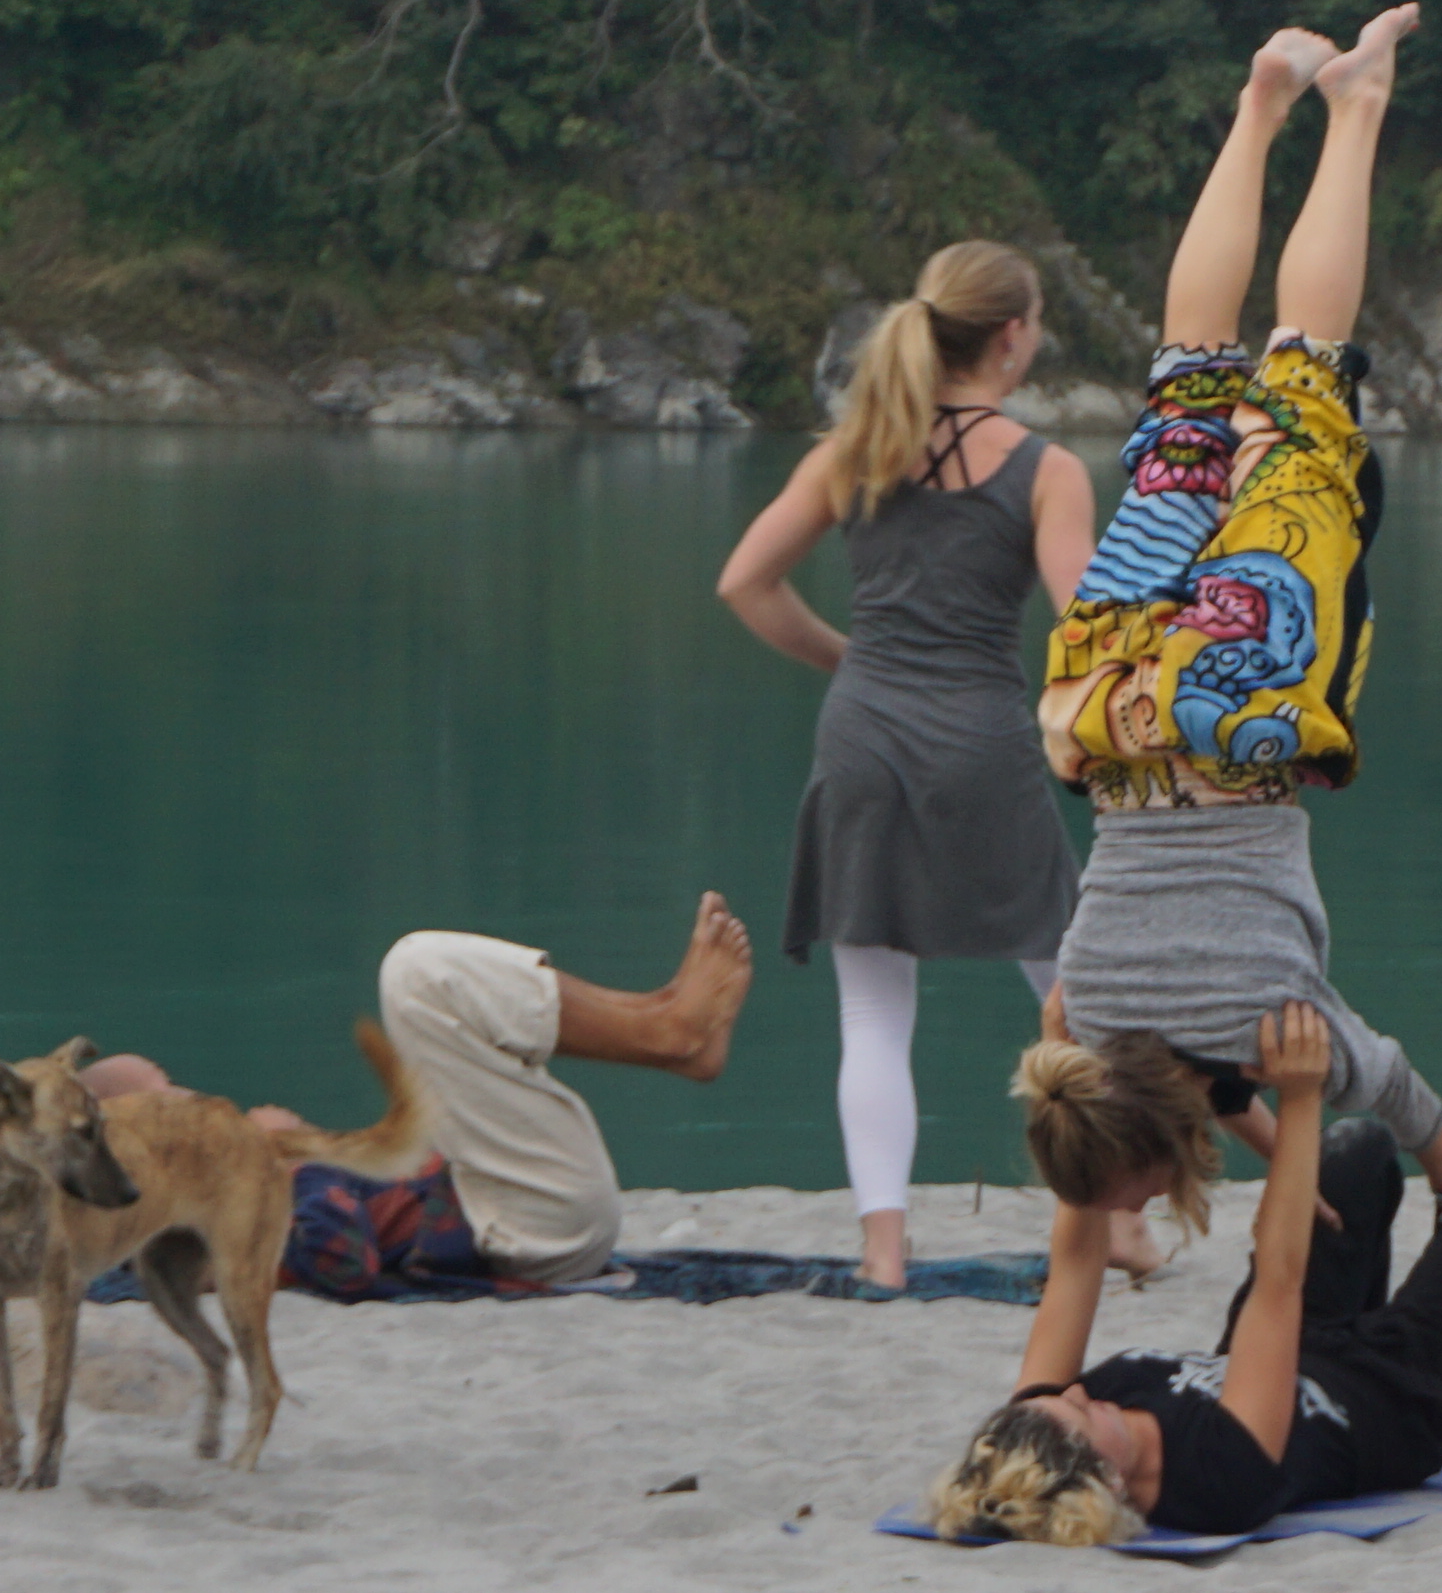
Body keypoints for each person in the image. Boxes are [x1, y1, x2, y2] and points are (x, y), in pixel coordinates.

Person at [1031, 3, 1442, 1275]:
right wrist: (1247, 1137)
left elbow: (1398, 1088)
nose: (1137, 1204)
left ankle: (1357, 104)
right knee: (1193, 379)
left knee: (1303, 372)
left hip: (1237, 710)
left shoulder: (1269, 1034)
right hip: (1114, 715)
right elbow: (1171, 1063)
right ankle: (1263, 104)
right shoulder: (1081, 1022)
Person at [716, 238, 1093, 1292]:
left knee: (873, 1012)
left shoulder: (856, 451)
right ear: (1012, 337)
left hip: (864, 735)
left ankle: (884, 1250)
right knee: (1077, 986)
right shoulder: (1045, 470)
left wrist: (849, 659)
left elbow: (745, 582)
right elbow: (1091, 630)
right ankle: (1118, 1218)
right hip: (982, 737)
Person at [932, 1001, 1442, 1545]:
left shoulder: (1045, 1422)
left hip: (1298, 1344)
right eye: (1079, 1414)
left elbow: (1076, 1259)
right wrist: (1301, 1095)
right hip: (1404, 1395)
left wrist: (1070, 1085)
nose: (1077, 1393)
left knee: (1358, 1153)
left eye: (1061, 1398)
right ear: (1105, 1481)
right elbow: (1279, 1277)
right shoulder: (1220, 1480)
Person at [86, 904, 756, 1292]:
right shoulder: (211, 1226)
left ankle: (664, 1011)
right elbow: (342, 1263)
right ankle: (671, 1033)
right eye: (170, 1097)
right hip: (530, 1227)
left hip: (513, 1203)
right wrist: (293, 1170)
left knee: (436, 993)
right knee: (416, 973)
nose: (198, 1097)